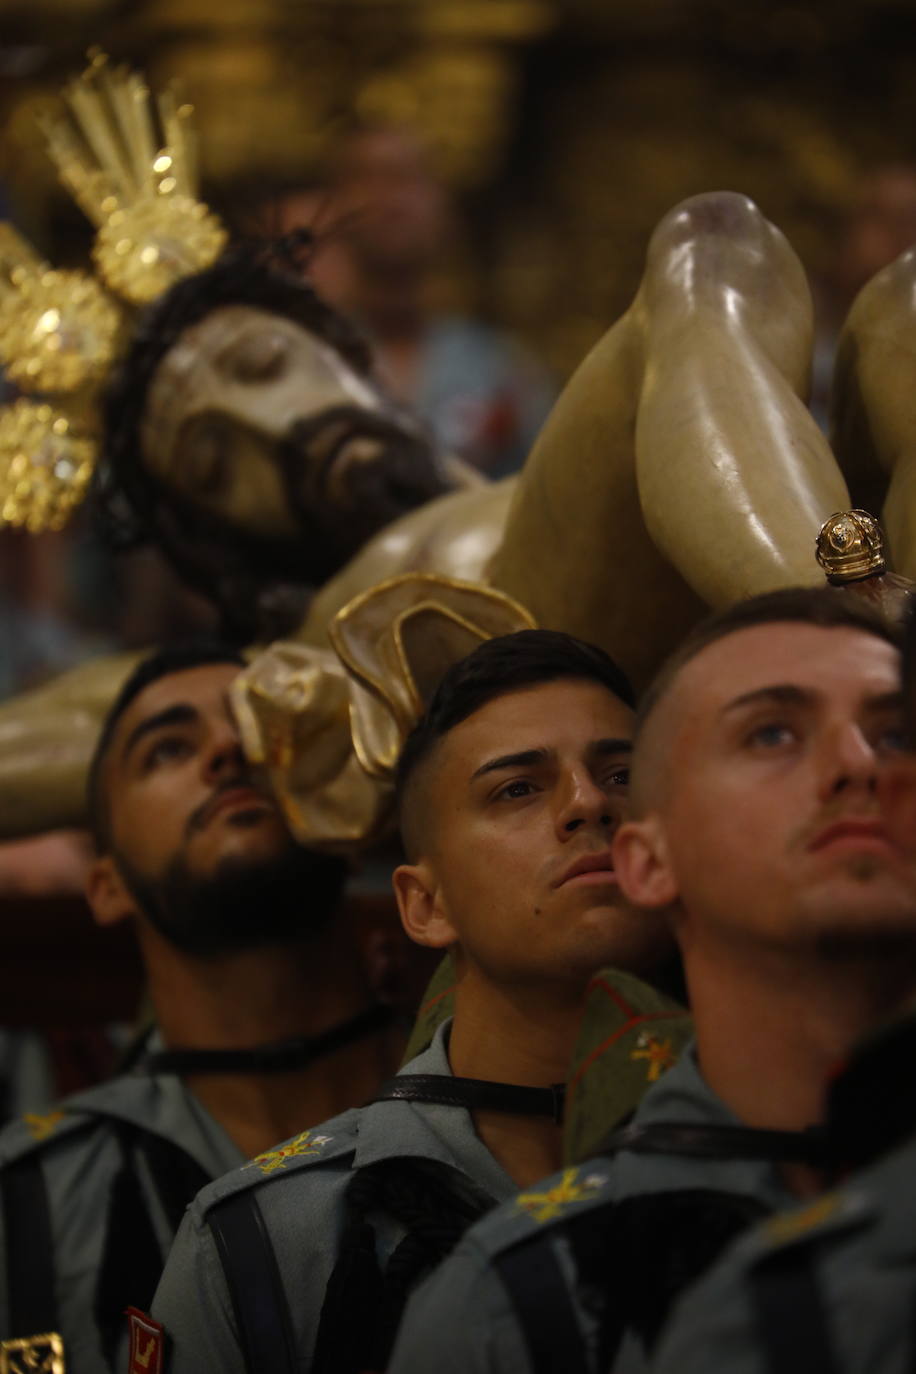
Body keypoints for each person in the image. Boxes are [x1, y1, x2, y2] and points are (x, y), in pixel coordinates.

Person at [2, 185, 863, 842]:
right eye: (214, 468)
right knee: (705, 245)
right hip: (557, 670)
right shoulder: (275, 660)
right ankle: (857, 631)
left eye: (266, 366)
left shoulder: (564, 465)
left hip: (735, 573)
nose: (271, 432)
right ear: (218, 541)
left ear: (352, 358)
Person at [387, 587, 916, 1374]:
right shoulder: (526, 1299)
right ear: (647, 861)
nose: (860, 766)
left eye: (899, 733)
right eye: (773, 733)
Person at [148, 629, 677, 1374]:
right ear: (425, 905)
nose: (588, 802)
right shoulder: (269, 1242)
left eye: (622, 774)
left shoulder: (792, 1156)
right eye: (517, 788)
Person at [0, 643, 404, 1374]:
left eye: (257, 727)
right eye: (166, 750)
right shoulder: (27, 1206)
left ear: (347, 828)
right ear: (107, 885)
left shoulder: (510, 1116)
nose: (228, 749)